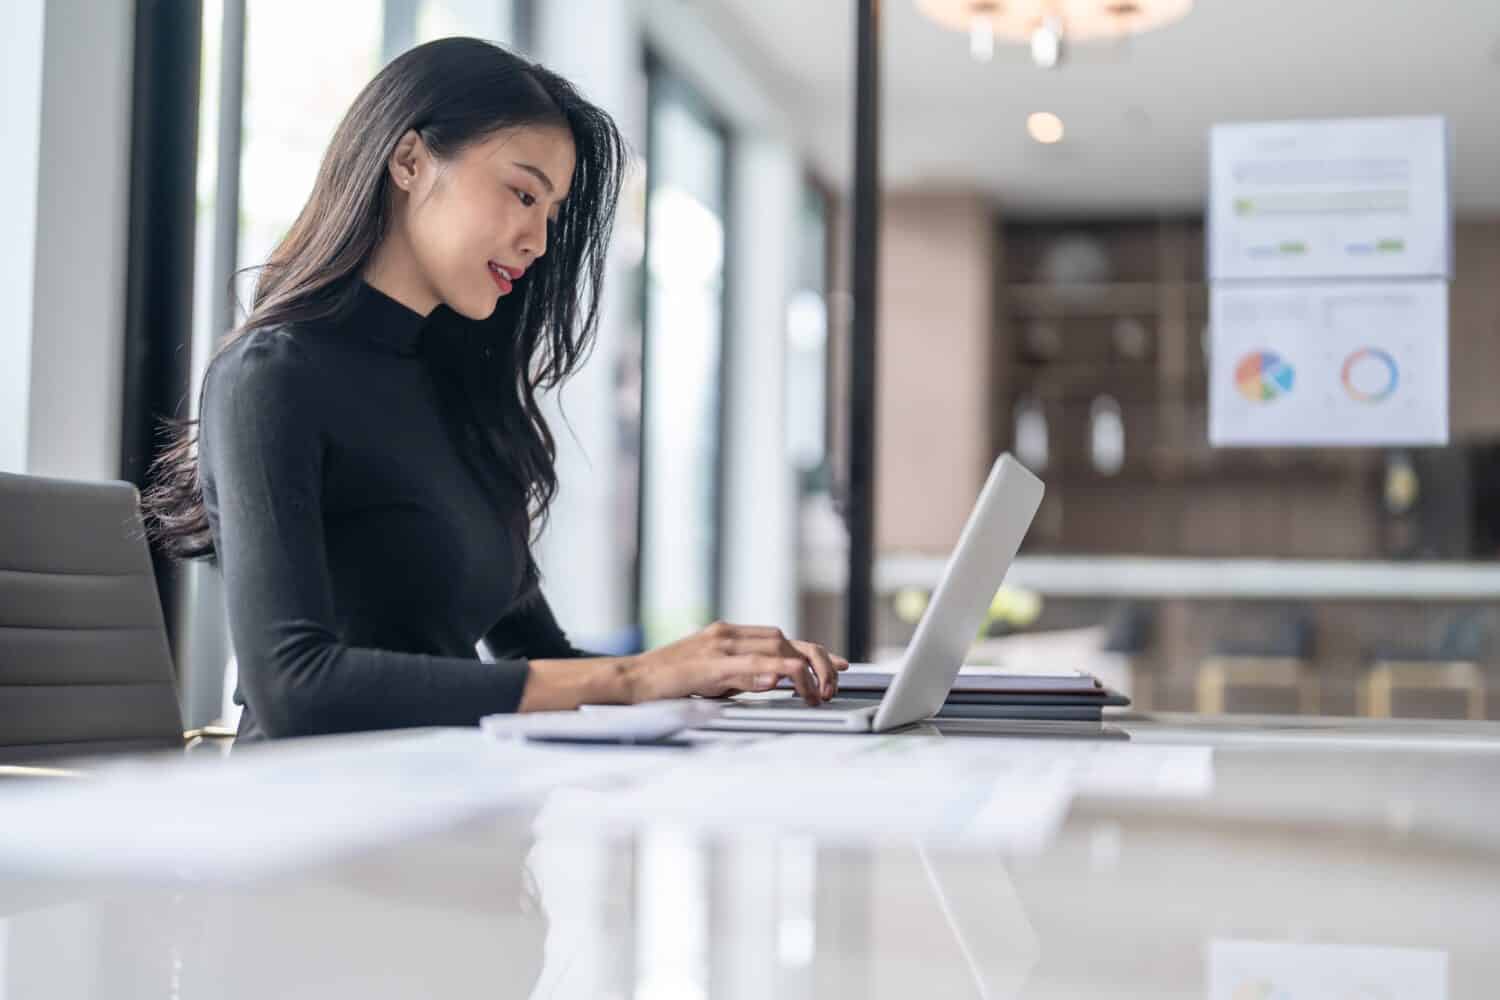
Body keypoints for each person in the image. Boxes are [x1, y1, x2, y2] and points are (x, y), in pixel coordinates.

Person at [144, 37, 845, 742]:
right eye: (521, 193)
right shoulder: (271, 377)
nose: (537, 240)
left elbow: (538, 660)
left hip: (453, 805)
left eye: (550, 212)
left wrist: (716, 669)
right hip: (313, 824)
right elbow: (296, 687)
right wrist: (638, 677)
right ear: (410, 161)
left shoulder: (462, 395)